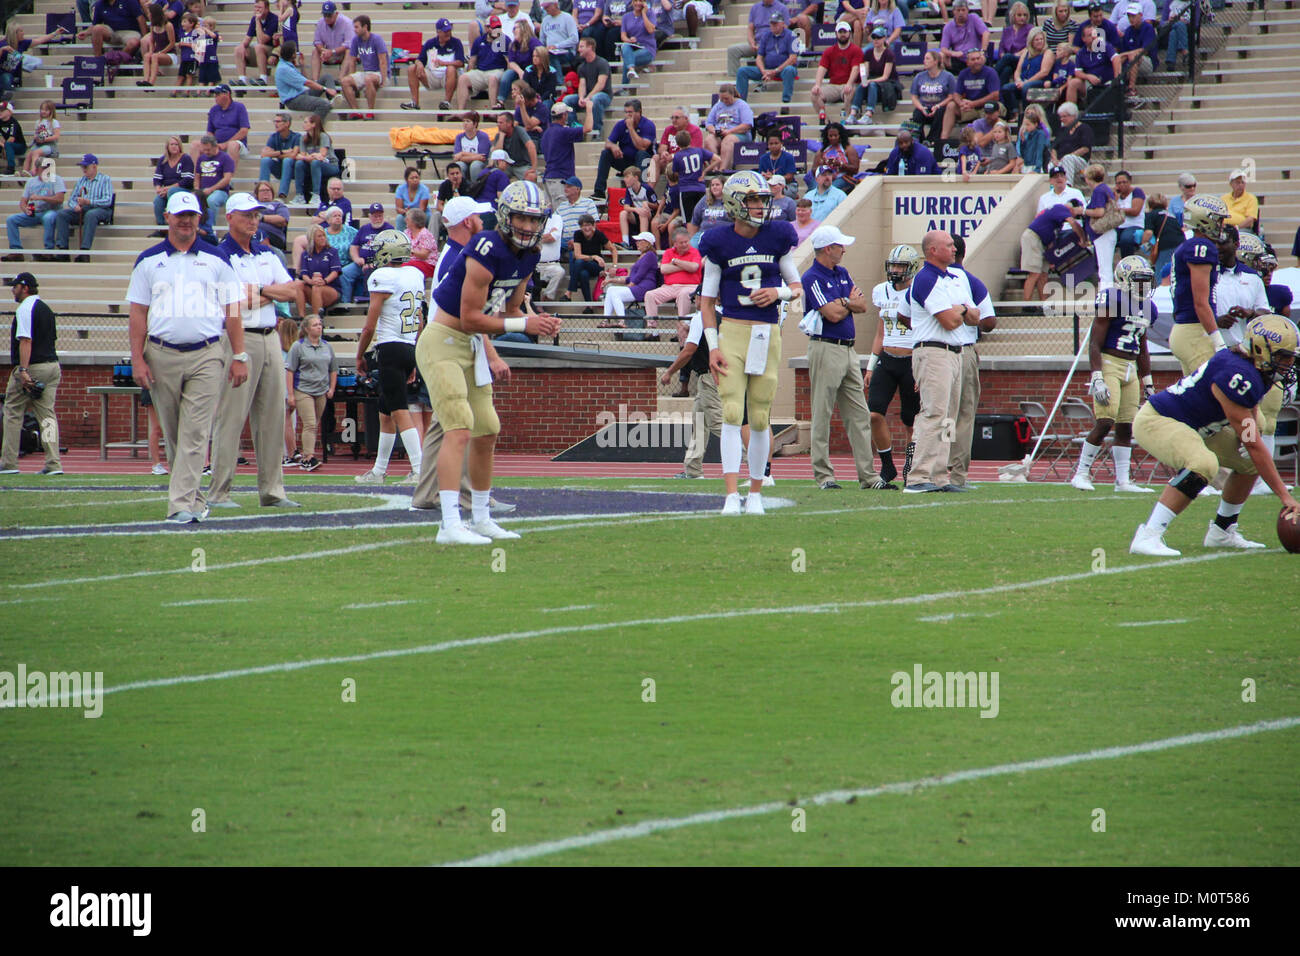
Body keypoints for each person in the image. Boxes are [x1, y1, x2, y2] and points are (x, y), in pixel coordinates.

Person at [419, 180, 561, 543]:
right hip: (443, 341)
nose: (528, 228)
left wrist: (539, 319)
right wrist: (523, 323)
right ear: (504, 216)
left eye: (534, 220)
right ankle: (449, 524)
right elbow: (469, 317)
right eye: (521, 219)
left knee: (488, 429)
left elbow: (511, 309)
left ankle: (480, 517)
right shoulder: (485, 247)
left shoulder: (529, 256)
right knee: (459, 427)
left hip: (471, 345)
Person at [1129, 315, 1300, 555]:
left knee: (1250, 460)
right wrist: (1285, 496)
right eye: (1284, 356)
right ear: (1261, 349)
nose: (1288, 363)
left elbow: (1251, 415)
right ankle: (1148, 535)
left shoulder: (1255, 368)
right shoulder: (1237, 373)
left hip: (1199, 426)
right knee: (1203, 464)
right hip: (1160, 420)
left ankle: (1222, 531)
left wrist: (1251, 429)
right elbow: (1253, 444)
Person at [127, 191, 246, 522]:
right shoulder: (148, 261)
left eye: (192, 215)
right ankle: (192, 498)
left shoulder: (217, 259)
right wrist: (137, 358)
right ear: (167, 217)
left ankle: (179, 504)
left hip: (208, 353)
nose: (186, 220)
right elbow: (137, 313)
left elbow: (233, 311)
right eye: (180, 214)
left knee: (195, 432)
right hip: (161, 353)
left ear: (199, 218)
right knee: (175, 432)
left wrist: (240, 355)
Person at [698, 170, 802, 515]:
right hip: (732, 331)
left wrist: (777, 291)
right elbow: (706, 302)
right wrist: (712, 346)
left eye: (762, 199)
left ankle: (755, 493)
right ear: (734, 203)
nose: (759, 206)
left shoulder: (778, 236)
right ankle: (731, 495)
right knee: (730, 412)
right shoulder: (717, 242)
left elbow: (797, 289)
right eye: (753, 200)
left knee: (759, 417)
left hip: (766, 334)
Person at [207, 193, 299, 509]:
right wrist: (269, 295)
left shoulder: (267, 253)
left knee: (273, 416)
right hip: (238, 335)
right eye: (247, 214)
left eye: (256, 214)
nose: (253, 220)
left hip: (270, 335)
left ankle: (273, 490)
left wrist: (259, 292)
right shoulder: (220, 256)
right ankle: (219, 491)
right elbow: (233, 302)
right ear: (230, 216)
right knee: (232, 415)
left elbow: (292, 291)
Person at [798, 225, 887, 491]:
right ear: (828, 249)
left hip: (848, 349)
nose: (844, 249)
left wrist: (844, 302)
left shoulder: (842, 272)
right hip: (825, 347)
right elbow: (832, 314)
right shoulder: (812, 276)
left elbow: (861, 304)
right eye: (840, 246)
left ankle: (869, 477)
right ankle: (824, 476)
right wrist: (846, 303)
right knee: (822, 413)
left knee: (859, 414)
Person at [1069, 255, 1158, 493]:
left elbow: (1142, 345)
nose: (1144, 286)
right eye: (1139, 280)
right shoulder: (1112, 299)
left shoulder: (1149, 307)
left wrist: (1147, 381)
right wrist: (1096, 376)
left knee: (1125, 426)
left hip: (1131, 368)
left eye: (1146, 281)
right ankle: (1081, 474)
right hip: (1110, 363)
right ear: (1124, 280)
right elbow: (1095, 343)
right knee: (1105, 420)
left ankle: (1123, 481)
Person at [903, 230, 979, 494]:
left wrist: (960, 310)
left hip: (954, 353)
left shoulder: (953, 278)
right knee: (933, 414)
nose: (954, 249)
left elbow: (975, 316)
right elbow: (949, 321)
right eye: (948, 245)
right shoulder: (926, 278)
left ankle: (939, 476)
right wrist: (960, 310)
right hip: (934, 352)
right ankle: (917, 476)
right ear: (932, 250)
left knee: (948, 419)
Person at [351, 231, 427, 485]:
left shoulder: (382, 277)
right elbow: (420, 321)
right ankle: (378, 471)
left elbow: (369, 327)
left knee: (399, 410)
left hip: (390, 347)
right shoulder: (414, 274)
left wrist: (359, 355)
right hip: (407, 347)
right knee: (386, 411)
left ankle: (419, 470)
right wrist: (413, 358)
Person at [867, 244, 921, 485]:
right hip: (887, 359)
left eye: (901, 266)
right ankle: (887, 467)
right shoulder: (881, 291)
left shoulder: (919, 290)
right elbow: (880, 332)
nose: (896, 270)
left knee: (911, 421)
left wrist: (922, 366)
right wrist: (870, 365)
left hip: (912, 359)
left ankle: (910, 466)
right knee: (874, 413)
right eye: (894, 265)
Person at [945, 233, 996, 489]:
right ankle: (957, 475)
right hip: (963, 351)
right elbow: (989, 322)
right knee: (963, 416)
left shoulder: (930, 278)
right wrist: (968, 314)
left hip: (933, 352)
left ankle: (933, 470)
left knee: (941, 415)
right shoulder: (970, 281)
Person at [0, 272, 61, 475]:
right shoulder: (45, 308)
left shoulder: (25, 308)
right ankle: (53, 464)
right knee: (47, 416)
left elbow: (26, 340)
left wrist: (23, 370)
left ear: (25, 287)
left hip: (32, 366)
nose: (12, 290)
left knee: (12, 412)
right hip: (52, 366)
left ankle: (9, 462)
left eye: (15, 286)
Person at [1169, 194, 1230, 375]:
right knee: (1213, 394)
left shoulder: (1191, 245)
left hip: (1187, 330)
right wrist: (1218, 341)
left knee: (1194, 400)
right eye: (1218, 221)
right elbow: (1200, 302)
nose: (1221, 225)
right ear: (1205, 220)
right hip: (1195, 331)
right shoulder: (1201, 247)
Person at [1019, 199, 1085, 302]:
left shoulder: (1058, 221)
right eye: (1076, 215)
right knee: (1034, 273)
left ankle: (1043, 303)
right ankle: (1026, 305)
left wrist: (1051, 259)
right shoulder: (1061, 208)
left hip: (1042, 243)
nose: (1075, 217)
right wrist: (1082, 238)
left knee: (1044, 274)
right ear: (1072, 208)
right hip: (1033, 238)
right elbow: (1073, 223)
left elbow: (1051, 242)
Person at [52, 154, 115, 262]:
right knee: (62, 214)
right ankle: (63, 250)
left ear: (94, 166)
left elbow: (107, 200)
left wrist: (89, 202)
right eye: (82, 167)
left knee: (91, 214)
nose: (83, 169)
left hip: (101, 210)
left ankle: (84, 251)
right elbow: (72, 199)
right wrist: (75, 206)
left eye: (86, 167)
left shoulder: (105, 179)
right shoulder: (81, 181)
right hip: (83, 209)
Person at [4, 160, 67, 261]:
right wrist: (26, 209)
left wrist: (42, 198)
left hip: (52, 211)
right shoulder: (31, 182)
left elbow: (60, 199)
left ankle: (48, 250)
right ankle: (16, 251)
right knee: (11, 219)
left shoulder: (57, 179)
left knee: (48, 217)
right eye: (44, 168)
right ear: (37, 170)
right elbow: (23, 202)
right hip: (36, 213)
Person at [593, 98, 654, 200]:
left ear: (639, 112)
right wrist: (613, 146)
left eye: (630, 112)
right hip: (625, 161)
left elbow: (642, 146)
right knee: (606, 153)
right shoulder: (621, 125)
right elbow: (608, 143)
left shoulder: (648, 125)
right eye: (626, 112)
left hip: (643, 163)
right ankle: (599, 191)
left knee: (641, 154)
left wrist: (631, 129)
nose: (627, 115)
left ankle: (641, 190)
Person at [403, 18, 464, 111]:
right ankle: (415, 102)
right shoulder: (430, 43)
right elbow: (419, 59)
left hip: (448, 77)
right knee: (412, 68)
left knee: (451, 69)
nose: (448, 33)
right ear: (438, 32)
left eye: (449, 30)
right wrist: (419, 64)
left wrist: (445, 64)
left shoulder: (456, 42)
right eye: (445, 31)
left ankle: (446, 102)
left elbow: (460, 62)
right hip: (432, 76)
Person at [738, 12, 799, 105]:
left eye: (776, 23)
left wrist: (776, 71)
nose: (773, 26)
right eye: (772, 24)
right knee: (742, 71)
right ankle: (741, 103)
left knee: (789, 70)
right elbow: (759, 57)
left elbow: (793, 58)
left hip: (782, 70)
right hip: (767, 69)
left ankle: (786, 102)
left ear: (783, 24)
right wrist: (763, 71)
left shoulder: (791, 35)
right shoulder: (766, 35)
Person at [942, 48, 1001, 142]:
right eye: (973, 60)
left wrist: (973, 103)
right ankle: (943, 140)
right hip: (969, 108)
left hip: (987, 107)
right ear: (967, 62)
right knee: (951, 105)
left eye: (978, 58)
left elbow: (995, 95)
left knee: (995, 108)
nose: (976, 61)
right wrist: (961, 103)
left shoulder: (990, 72)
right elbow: (956, 94)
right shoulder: (963, 74)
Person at [540, 102, 591, 208]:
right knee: (562, 215)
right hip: (560, 180)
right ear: (564, 115)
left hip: (548, 178)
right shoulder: (563, 132)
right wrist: (589, 109)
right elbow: (588, 128)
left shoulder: (546, 133)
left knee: (550, 217)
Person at [643, 226, 701, 319]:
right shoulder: (668, 252)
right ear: (675, 244)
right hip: (669, 287)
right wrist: (686, 266)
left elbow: (694, 267)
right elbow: (663, 269)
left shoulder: (694, 252)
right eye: (682, 243)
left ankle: (682, 325)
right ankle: (652, 329)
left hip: (690, 286)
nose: (685, 244)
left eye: (687, 241)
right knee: (649, 295)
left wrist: (676, 261)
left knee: (683, 294)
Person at [342, 202, 394, 302]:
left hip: (381, 264)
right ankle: (345, 304)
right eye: (375, 216)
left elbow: (391, 251)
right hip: (361, 263)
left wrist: (375, 263)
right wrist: (357, 259)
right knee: (345, 273)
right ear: (370, 216)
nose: (378, 219)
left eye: (380, 216)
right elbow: (354, 246)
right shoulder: (364, 229)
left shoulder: (389, 229)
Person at [601, 231, 658, 321]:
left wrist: (630, 285)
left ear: (647, 243)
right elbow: (630, 278)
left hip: (644, 287)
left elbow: (640, 275)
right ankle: (606, 320)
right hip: (638, 285)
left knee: (615, 293)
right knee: (611, 289)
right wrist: (610, 280)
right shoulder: (642, 256)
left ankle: (622, 320)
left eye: (640, 241)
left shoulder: (650, 255)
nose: (637, 243)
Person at [726, 0, 791, 78]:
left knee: (769, 53)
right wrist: (752, 42)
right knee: (733, 50)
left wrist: (766, 45)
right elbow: (750, 28)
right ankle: (734, 80)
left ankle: (764, 78)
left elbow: (784, 30)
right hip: (757, 43)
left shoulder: (782, 8)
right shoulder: (755, 8)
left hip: (774, 44)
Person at [563, 36, 613, 138]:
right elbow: (582, 84)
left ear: (590, 47)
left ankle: (597, 131)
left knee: (595, 99)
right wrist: (581, 97)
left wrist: (588, 97)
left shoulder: (602, 63)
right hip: (588, 96)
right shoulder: (582, 67)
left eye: (581, 47)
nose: (578, 49)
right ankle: (575, 128)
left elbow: (601, 84)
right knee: (567, 100)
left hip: (603, 95)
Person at [456, 15, 509, 111]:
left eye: (498, 27)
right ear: (487, 28)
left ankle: (493, 111)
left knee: (493, 78)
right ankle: (461, 112)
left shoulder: (504, 40)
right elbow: (472, 61)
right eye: (494, 28)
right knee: (463, 78)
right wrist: (469, 73)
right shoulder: (479, 41)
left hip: (497, 70)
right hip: (481, 71)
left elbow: (508, 61)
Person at [190, 84, 251, 167]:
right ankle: (196, 177)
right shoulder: (213, 110)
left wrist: (225, 144)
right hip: (217, 144)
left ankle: (228, 177)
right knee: (195, 145)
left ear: (227, 94)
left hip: (237, 145)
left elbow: (244, 130)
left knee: (232, 145)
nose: (215, 97)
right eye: (215, 95)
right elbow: (210, 132)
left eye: (218, 94)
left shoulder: (239, 107)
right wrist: (213, 143)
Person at [340, 14, 387, 120]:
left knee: (368, 79)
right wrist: (353, 79)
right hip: (366, 72)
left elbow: (383, 61)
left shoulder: (377, 39)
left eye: (357, 27)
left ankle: (370, 112)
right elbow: (352, 60)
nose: (354, 30)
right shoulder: (355, 40)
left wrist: (383, 80)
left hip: (377, 72)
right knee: (345, 81)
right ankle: (355, 111)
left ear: (365, 27)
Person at [1060, 23, 1118, 108]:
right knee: (1073, 83)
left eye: (1095, 34)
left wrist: (1116, 78)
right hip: (1090, 84)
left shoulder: (1105, 46)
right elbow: (1077, 72)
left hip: (1108, 82)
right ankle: (1071, 114)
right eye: (1090, 35)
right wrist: (1088, 77)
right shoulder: (1081, 53)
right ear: (1084, 38)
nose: (1094, 37)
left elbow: (1116, 59)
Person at [274, 39, 336, 119]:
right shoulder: (284, 69)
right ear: (292, 54)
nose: (297, 52)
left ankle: (333, 98)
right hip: (294, 100)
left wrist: (302, 65)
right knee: (323, 104)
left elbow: (304, 79)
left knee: (327, 77)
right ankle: (313, 127)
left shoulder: (287, 65)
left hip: (302, 93)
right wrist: (325, 89)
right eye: (295, 50)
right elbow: (307, 83)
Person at [850, 25, 898, 125]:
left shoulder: (889, 54)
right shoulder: (868, 53)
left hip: (887, 84)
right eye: (874, 38)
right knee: (862, 85)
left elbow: (885, 77)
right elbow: (866, 73)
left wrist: (870, 81)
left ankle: (869, 114)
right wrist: (864, 79)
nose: (876, 40)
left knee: (872, 84)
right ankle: (853, 113)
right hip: (873, 81)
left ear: (884, 38)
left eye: (879, 38)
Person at [292, 223, 342, 318]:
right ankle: (301, 317)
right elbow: (304, 274)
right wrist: (311, 281)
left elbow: (335, 272)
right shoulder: (306, 254)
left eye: (324, 235)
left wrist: (324, 281)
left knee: (316, 288)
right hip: (313, 285)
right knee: (298, 284)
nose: (323, 238)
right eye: (319, 236)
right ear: (312, 239)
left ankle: (316, 319)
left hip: (331, 288)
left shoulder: (332, 252)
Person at [1003, 27, 1054, 120]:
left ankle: (1026, 113)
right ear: (1031, 42)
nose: (1040, 42)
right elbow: (1018, 70)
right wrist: (1018, 80)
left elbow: (1044, 72)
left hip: (1040, 82)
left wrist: (1025, 83)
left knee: (1026, 88)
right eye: (1037, 40)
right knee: (1006, 88)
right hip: (1023, 81)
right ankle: (1015, 112)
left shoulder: (1048, 52)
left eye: (1041, 39)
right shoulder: (1026, 52)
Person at [1082, 163, 1118, 288]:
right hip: (1105, 234)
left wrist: (1082, 211)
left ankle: (1106, 295)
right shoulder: (1105, 189)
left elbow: (1099, 211)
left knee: (1104, 269)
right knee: (1104, 267)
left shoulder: (1099, 190)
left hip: (1103, 233)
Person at [702, 84, 753, 173]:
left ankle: (723, 169)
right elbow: (709, 123)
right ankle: (715, 168)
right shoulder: (718, 106)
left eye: (727, 98)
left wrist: (729, 131)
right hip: (720, 132)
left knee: (728, 140)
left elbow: (747, 125)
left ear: (732, 95)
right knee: (708, 140)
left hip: (738, 133)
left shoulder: (742, 105)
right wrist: (713, 131)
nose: (724, 101)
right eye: (722, 99)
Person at [908, 51, 956, 147]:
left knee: (940, 112)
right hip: (924, 107)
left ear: (935, 61)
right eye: (924, 58)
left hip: (940, 106)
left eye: (927, 58)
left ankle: (932, 140)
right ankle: (920, 141)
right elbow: (914, 96)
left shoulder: (948, 76)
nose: (924, 61)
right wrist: (921, 108)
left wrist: (938, 105)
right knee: (917, 114)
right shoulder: (919, 77)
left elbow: (951, 96)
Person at [194, 134, 235, 240]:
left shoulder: (225, 158)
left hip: (220, 191)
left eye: (208, 149)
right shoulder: (201, 158)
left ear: (215, 146)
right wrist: (197, 189)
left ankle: (211, 228)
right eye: (204, 150)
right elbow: (197, 176)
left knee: (212, 200)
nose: (206, 152)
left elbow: (227, 179)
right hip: (203, 190)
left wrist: (211, 189)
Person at [292, 113, 338, 203]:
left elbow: (322, 155)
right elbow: (301, 156)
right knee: (299, 163)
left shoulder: (323, 136)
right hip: (312, 164)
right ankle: (299, 195)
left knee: (315, 163)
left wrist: (307, 157)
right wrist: (311, 156)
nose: (303, 124)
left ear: (313, 124)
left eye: (306, 122)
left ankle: (316, 195)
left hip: (330, 165)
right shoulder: (303, 139)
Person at [151, 137, 195, 228]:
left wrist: (169, 188)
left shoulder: (185, 158)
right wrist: (159, 189)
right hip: (167, 190)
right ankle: (162, 227)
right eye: (172, 144)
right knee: (157, 200)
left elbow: (188, 179)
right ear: (167, 147)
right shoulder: (163, 160)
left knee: (172, 191)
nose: (174, 147)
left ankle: (174, 222)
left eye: (176, 144)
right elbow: (157, 178)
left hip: (184, 189)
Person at [80, 0, 147, 59]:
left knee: (133, 43)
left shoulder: (130, 1)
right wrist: (86, 33)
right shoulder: (99, 4)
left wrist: (144, 37)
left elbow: (140, 18)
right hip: (112, 32)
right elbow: (94, 24)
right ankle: (98, 61)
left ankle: (115, 60)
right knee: (97, 29)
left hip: (130, 32)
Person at [569, 213, 613, 301]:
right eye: (584, 226)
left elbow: (613, 250)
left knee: (579, 262)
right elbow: (578, 255)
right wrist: (594, 257)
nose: (587, 228)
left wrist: (614, 266)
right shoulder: (578, 234)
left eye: (589, 225)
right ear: (580, 227)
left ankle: (569, 292)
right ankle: (589, 306)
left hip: (596, 266)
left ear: (594, 225)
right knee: (583, 274)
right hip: (584, 265)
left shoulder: (599, 234)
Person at [234, 0, 279, 86]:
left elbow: (262, 40)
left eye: (260, 8)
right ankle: (242, 80)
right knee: (238, 49)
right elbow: (247, 39)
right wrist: (242, 47)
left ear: (267, 9)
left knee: (259, 46)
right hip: (260, 52)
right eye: (256, 7)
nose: (257, 10)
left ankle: (263, 79)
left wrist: (258, 21)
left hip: (273, 52)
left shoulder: (274, 19)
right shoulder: (254, 19)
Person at [258, 113, 301, 201]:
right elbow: (264, 154)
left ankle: (282, 194)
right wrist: (282, 152)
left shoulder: (297, 137)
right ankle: (261, 191)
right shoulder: (274, 137)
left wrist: (275, 154)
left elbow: (293, 155)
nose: (275, 124)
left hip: (293, 170)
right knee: (265, 160)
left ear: (287, 123)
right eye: (275, 121)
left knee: (287, 160)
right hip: (280, 168)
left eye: (278, 121)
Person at [1048, 101, 1092, 186]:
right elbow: (1054, 147)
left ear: (1074, 116)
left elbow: (1085, 148)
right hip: (1061, 160)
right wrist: (1055, 159)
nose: (1061, 119)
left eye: (1064, 116)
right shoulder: (1062, 130)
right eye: (1061, 117)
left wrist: (1068, 157)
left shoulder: (1084, 128)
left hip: (1079, 160)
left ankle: (1067, 185)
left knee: (1068, 159)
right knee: (1049, 165)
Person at [1116, 4, 1156, 97]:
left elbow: (1145, 50)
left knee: (1133, 56)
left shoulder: (1148, 28)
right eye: (1129, 16)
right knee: (1118, 58)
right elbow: (1123, 52)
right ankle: (1116, 86)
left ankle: (1132, 88)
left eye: (1133, 16)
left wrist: (1130, 54)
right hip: (1130, 63)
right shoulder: (1128, 31)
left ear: (1140, 15)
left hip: (1147, 62)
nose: (1131, 19)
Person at [1140, 192, 1180, 283]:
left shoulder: (1151, 215)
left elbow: (1148, 233)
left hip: (1166, 245)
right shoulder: (1171, 215)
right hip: (1180, 244)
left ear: (1150, 205)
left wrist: (1143, 244)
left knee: (1161, 272)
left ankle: (1159, 291)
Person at [938, 0, 988, 73]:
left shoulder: (974, 18)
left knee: (979, 57)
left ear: (968, 10)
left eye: (963, 10)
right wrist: (953, 53)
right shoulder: (948, 27)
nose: (961, 12)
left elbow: (986, 33)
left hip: (975, 56)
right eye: (958, 10)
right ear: (953, 12)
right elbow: (943, 48)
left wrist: (982, 52)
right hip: (958, 58)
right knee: (941, 55)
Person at [310, 0, 353, 83]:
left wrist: (332, 51)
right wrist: (323, 51)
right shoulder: (320, 22)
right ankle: (315, 81)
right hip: (328, 53)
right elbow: (317, 41)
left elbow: (349, 44)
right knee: (315, 51)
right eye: (325, 15)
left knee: (350, 51)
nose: (326, 18)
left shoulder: (347, 23)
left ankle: (341, 80)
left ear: (336, 13)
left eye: (329, 15)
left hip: (342, 54)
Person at [492, 110, 538, 180]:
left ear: (509, 123)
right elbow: (496, 153)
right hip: (507, 166)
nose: (498, 125)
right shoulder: (498, 136)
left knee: (531, 176)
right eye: (497, 122)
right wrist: (501, 137)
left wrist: (534, 167)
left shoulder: (519, 131)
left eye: (501, 123)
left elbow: (531, 146)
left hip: (522, 165)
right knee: (495, 174)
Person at [20, 101, 61, 178]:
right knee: (29, 154)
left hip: (49, 145)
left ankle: (33, 171)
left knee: (36, 153)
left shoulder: (54, 122)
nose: (43, 111)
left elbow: (56, 136)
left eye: (46, 110)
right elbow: (36, 133)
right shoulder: (38, 122)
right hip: (39, 144)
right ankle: (24, 172)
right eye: (42, 109)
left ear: (51, 111)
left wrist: (45, 139)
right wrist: (36, 138)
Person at [539, 0, 579, 72]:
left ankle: (559, 82)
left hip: (567, 51)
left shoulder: (567, 17)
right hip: (549, 51)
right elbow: (542, 40)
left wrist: (557, 46)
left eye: (547, 6)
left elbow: (574, 39)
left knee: (552, 57)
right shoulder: (545, 20)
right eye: (544, 7)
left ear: (555, 5)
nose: (545, 8)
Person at [453, 111, 493, 181]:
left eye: (468, 121)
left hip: (480, 164)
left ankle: (475, 188)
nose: (465, 124)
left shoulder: (483, 136)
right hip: (464, 163)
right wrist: (475, 156)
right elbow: (456, 158)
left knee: (475, 165)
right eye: (464, 121)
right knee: (459, 165)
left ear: (475, 124)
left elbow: (482, 157)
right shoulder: (459, 137)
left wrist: (463, 153)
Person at [1222, 169, 1259, 235]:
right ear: (1231, 184)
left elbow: (1250, 220)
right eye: (1238, 182)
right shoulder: (1224, 198)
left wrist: (1236, 228)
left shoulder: (1251, 198)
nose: (1240, 185)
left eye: (1243, 182)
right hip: (1224, 229)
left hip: (1242, 229)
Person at [394, 166, 430, 233]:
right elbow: (398, 208)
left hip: (421, 215)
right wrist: (405, 212)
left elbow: (422, 209)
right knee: (399, 218)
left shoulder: (424, 189)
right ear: (406, 179)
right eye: (412, 178)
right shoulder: (400, 189)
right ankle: (401, 240)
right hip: (406, 214)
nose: (415, 180)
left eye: (416, 177)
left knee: (429, 217)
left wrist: (411, 214)